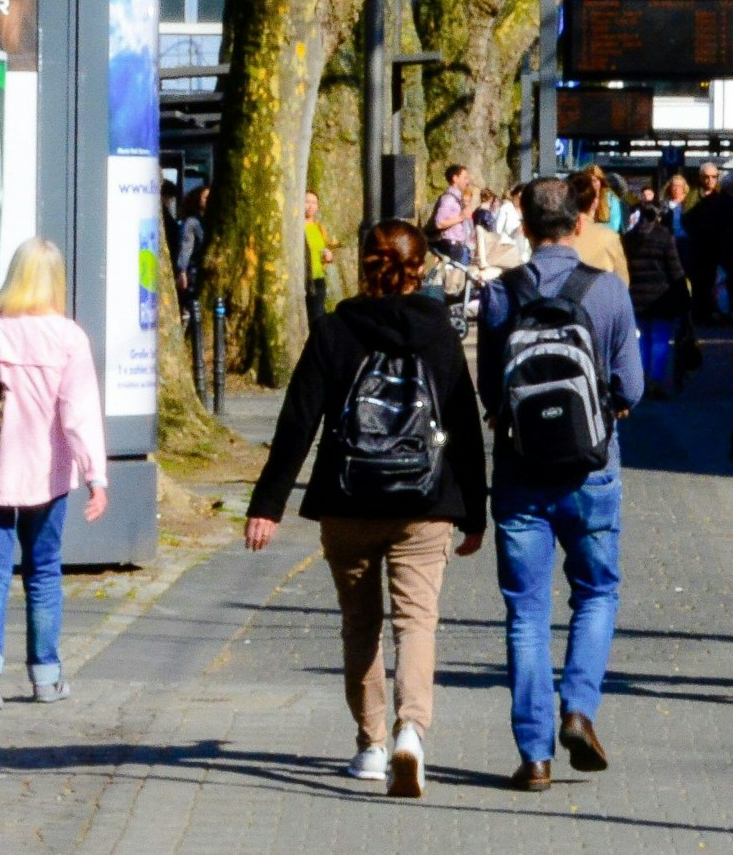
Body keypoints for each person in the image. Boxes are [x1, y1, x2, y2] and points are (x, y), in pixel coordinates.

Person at [242, 220, 486, 797]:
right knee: (416, 622)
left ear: (364, 265)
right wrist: (475, 510)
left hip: (347, 501)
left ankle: (372, 745)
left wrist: (267, 504)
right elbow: (465, 427)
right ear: (421, 269)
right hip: (424, 503)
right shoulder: (439, 335)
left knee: (360, 624)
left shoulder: (333, 330)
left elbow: (298, 421)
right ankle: (411, 733)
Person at [477, 177, 643, 792]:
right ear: (580, 224)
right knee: (596, 594)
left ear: (521, 223)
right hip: (592, 469)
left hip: (520, 474)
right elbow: (632, 386)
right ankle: (578, 708)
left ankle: (535, 755)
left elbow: (491, 390)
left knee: (525, 613)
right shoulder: (608, 293)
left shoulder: (502, 294)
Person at [0, 240, 107, 712]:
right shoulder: (68, 337)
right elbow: (79, 413)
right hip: (47, 474)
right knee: (44, 573)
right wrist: (96, 476)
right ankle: (45, 677)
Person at [622, 202, 688, 398]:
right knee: (660, 340)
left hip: (636, 296)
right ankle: (655, 380)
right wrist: (684, 298)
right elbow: (675, 271)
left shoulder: (629, 238)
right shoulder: (664, 238)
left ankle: (639, 379)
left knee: (641, 340)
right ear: (658, 217)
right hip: (660, 297)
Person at [683, 163, 733, 325]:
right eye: (707, 177)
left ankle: (719, 313)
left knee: (721, 283)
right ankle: (704, 315)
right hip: (703, 250)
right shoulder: (694, 197)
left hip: (720, 250)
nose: (710, 180)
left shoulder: (721, 197)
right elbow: (688, 221)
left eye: (714, 177)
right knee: (704, 284)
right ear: (700, 178)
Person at [568, 170, 630, 286]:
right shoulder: (609, 237)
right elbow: (622, 283)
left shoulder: (553, 234)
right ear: (595, 203)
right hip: (600, 299)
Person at [430, 164, 475, 264]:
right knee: (454, 278)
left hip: (459, 245)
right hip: (452, 246)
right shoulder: (449, 199)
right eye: (465, 178)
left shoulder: (458, 198)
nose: (467, 181)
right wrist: (461, 217)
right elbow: (439, 223)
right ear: (455, 178)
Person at [303, 189, 335, 323]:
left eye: (314, 203)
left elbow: (325, 249)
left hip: (318, 279)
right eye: (307, 202)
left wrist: (329, 257)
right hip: (303, 280)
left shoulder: (319, 228)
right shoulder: (298, 227)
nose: (310, 206)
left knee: (318, 318)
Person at [176, 185, 209, 303]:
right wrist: (182, 271)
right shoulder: (192, 222)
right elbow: (186, 247)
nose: (208, 200)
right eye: (205, 197)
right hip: (194, 271)